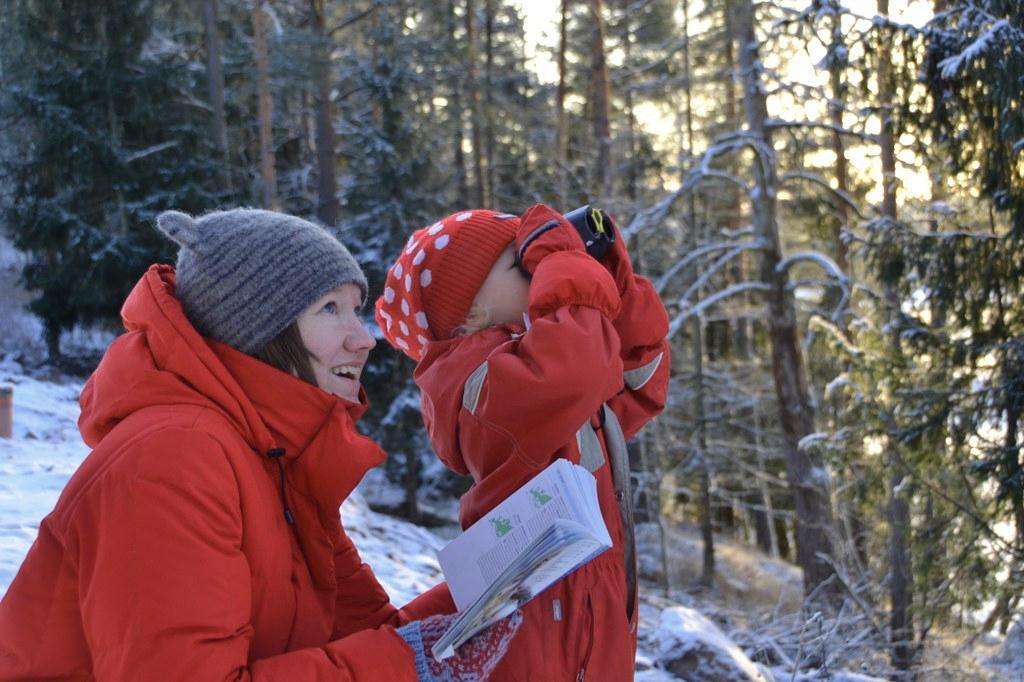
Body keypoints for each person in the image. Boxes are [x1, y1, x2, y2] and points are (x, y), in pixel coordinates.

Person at [0, 208, 520, 681]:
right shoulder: (170, 460)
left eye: (356, 309)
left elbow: (376, 634)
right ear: (258, 330)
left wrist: (496, 587)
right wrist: (411, 661)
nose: (361, 339)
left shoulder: (279, 462)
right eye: (330, 309)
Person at [374, 204, 670, 680]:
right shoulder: (481, 387)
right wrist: (566, 268)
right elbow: (578, 369)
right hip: (538, 628)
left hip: (593, 607)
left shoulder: (546, 358)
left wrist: (610, 277)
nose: (541, 265)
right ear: (471, 314)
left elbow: (641, 382)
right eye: (523, 262)